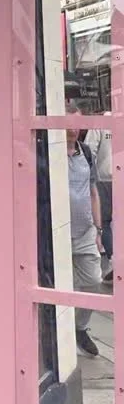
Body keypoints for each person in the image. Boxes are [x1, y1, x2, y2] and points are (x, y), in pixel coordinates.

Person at [66, 101, 104, 357]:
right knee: (61, 287)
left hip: (86, 232)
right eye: (69, 124)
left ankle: (79, 328)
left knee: (94, 282)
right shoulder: (48, 153)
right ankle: (58, 334)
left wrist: (98, 230)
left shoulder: (86, 152)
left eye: (78, 124)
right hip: (57, 234)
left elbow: (93, 191)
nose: (74, 129)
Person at [84, 118, 113, 285]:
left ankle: (113, 259)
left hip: (105, 179)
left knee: (105, 221)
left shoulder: (101, 123)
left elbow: (90, 150)